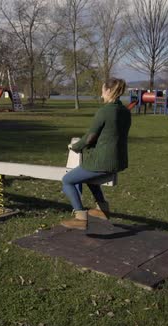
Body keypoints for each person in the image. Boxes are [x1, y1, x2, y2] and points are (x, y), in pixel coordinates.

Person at [60, 78, 131, 230]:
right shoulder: (125, 112)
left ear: (108, 91)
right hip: (118, 161)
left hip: (102, 161)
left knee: (67, 180)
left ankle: (80, 217)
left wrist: (75, 147)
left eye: (102, 90)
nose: (101, 94)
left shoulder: (105, 111)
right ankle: (102, 209)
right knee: (89, 178)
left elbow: (90, 136)